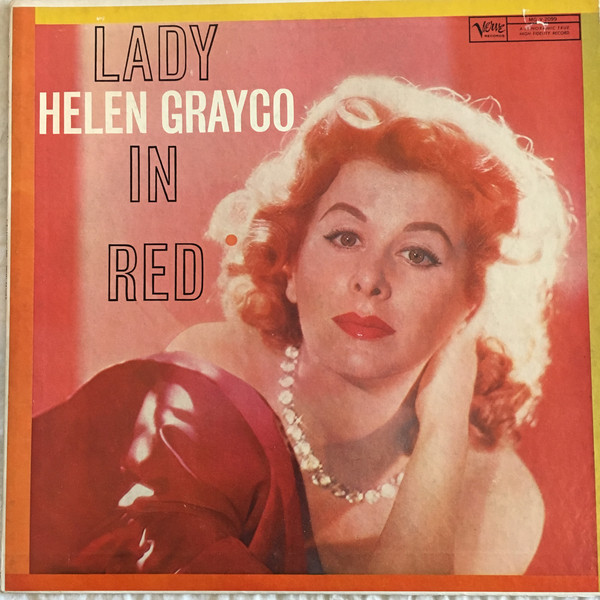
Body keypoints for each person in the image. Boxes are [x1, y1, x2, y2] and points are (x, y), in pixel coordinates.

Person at [30, 76, 571, 575]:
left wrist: (444, 426)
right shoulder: (210, 382)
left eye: (418, 254)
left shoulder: (499, 500)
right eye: (345, 238)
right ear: (289, 263)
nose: (370, 279)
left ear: (470, 303)